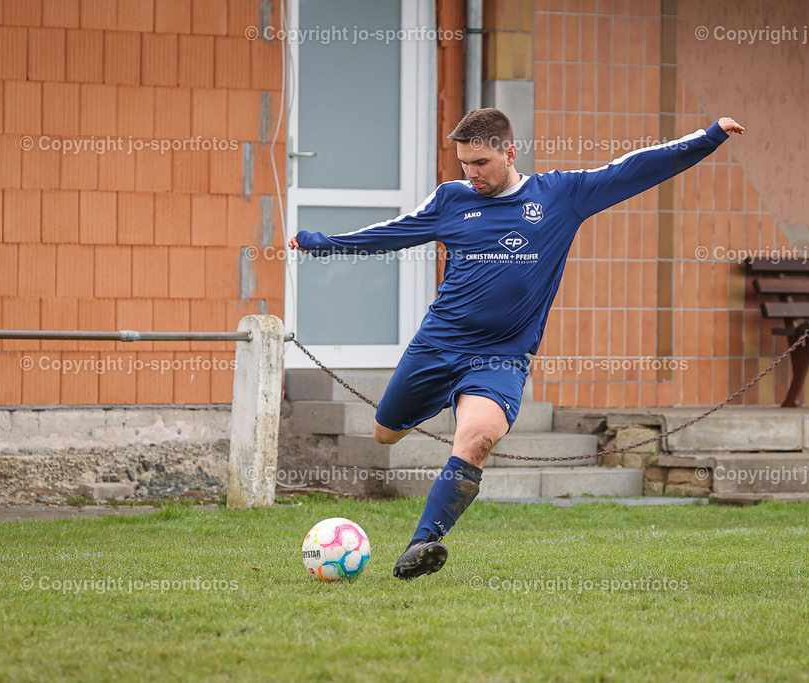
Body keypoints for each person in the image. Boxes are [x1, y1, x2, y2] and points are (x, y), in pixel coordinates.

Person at [289, 108, 744, 579]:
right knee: (385, 433)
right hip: (437, 345)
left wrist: (707, 137)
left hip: (500, 357)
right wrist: (321, 243)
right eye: (465, 164)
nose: (472, 173)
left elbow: (634, 168)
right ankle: (438, 399)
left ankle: (421, 544)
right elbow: (390, 234)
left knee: (477, 440)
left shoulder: (559, 195)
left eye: (481, 163)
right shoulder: (451, 200)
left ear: (509, 153)